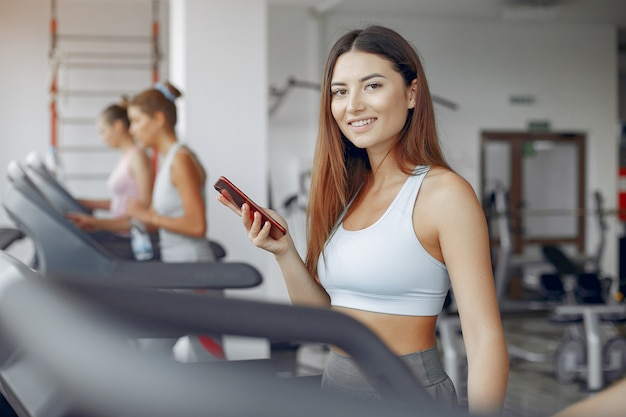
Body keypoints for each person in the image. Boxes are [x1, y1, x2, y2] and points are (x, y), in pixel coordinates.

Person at [217, 25, 509, 414]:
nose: (352, 105)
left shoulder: (444, 194)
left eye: (371, 86)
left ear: (411, 93)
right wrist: (284, 252)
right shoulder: (347, 194)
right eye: (340, 91)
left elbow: (484, 336)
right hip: (334, 386)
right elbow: (322, 320)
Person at [124, 81, 221, 361]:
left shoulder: (181, 159)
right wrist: (94, 224)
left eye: (136, 121)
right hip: (178, 273)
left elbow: (196, 225)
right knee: (153, 352)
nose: (132, 130)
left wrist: (149, 215)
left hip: (195, 273)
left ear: (158, 119)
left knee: (209, 358)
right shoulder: (167, 161)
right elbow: (154, 221)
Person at [66, 100, 153, 247]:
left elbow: (144, 208)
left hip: (132, 239)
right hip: (120, 233)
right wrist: (82, 202)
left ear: (118, 126)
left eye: (103, 131)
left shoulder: (138, 157)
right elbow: (120, 202)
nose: (102, 138)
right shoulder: (126, 156)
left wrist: (97, 223)